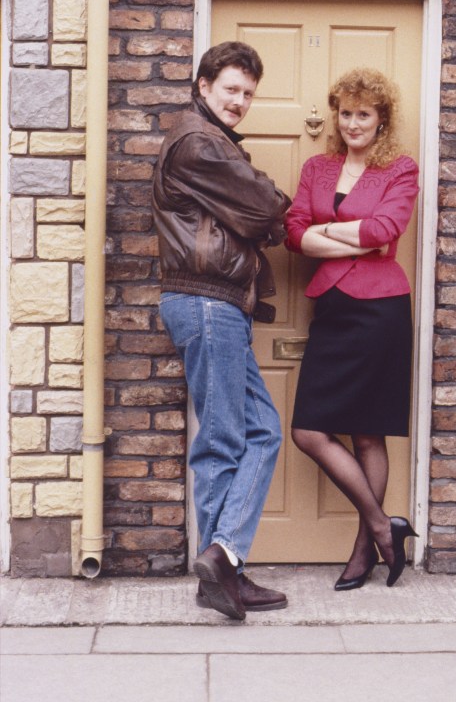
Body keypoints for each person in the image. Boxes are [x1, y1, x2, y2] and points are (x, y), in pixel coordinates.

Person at [152, 41, 291, 621]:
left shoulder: (209, 141)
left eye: (249, 94)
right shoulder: (199, 142)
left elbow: (259, 212)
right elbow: (266, 210)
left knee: (258, 431)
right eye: (231, 89)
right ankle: (224, 562)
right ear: (204, 85)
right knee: (228, 440)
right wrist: (273, 202)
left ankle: (223, 567)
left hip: (215, 305)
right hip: (207, 303)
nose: (240, 101)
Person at [285, 68, 419, 591]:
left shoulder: (399, 169)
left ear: (381, 118)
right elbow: (294, 234)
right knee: (308, 431)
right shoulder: (318, 168)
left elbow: (386, 231)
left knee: (368, 432)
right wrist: (354, 238)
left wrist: (329, 233)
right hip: (333, 310)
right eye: (346, 113)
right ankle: (387, 527)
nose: (353, 122)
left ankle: (365, 551)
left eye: (364, 114)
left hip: (380, 311)